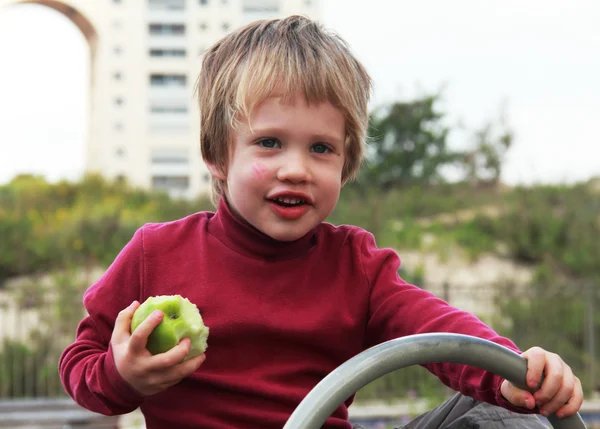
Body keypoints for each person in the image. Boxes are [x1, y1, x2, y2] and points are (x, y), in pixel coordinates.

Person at [59, 15, 583, 429]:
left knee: (501, 416)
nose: (296, 168)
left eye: (321, 148)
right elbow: (80, 362)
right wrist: (122, 374)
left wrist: (516, 372)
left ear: (345, 163)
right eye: (269, 142)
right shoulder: (158, 253)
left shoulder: (356, 265)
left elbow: (436, 328)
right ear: (218, 155)